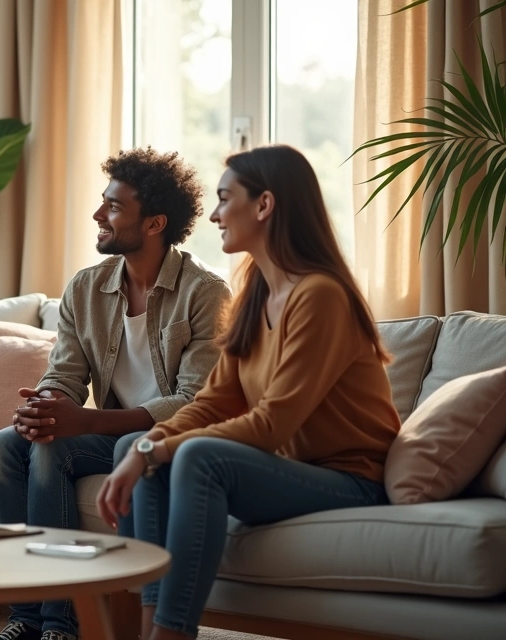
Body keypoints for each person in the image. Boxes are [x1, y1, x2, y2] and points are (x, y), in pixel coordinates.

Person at [98, 145, 400, 640]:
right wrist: (145, 447)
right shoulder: (255, 291)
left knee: (194, 456)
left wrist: (155, 448)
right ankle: (153, 631)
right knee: (138, 447)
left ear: (264, 205)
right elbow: (214, 402)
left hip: (351, 479)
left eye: (224, 199)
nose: (214, 215)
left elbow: (272, 423)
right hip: (292, 470)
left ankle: (171, 633)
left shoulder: (320, 295)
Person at [0, 148, 231, 640]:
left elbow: (193, 403)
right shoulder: (86, 288)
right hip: (106, 433)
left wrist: (84, 421)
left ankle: (60, 622)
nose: (98, 215)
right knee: (5, 445)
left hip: (165, 438)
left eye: (114, 207)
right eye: (103, 202)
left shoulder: (205, 293)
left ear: (155, 222)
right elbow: (65, 373)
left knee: (54, 448)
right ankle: (25, 614)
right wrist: (45, 405)